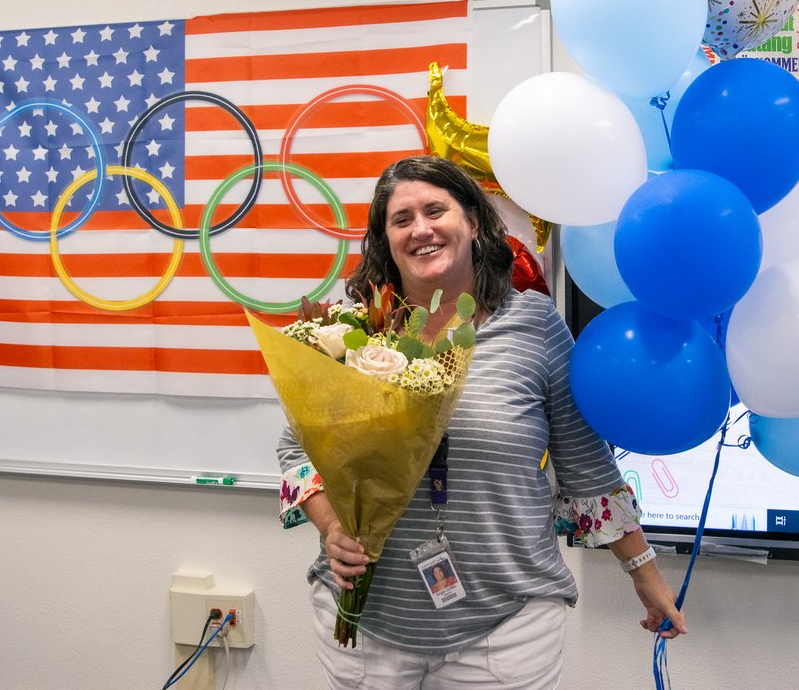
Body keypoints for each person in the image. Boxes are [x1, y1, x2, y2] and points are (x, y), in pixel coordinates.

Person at [277, 155, 685, 689]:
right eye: (401, 220)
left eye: (434, 210)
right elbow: (297, 452)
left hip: (507, 623)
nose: (420, 229)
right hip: (367, 619)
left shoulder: (534, 324)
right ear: (385, 240)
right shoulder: (353, 333)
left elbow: (584, 461)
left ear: (472, 220)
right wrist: (332, 527)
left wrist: (644, 572)